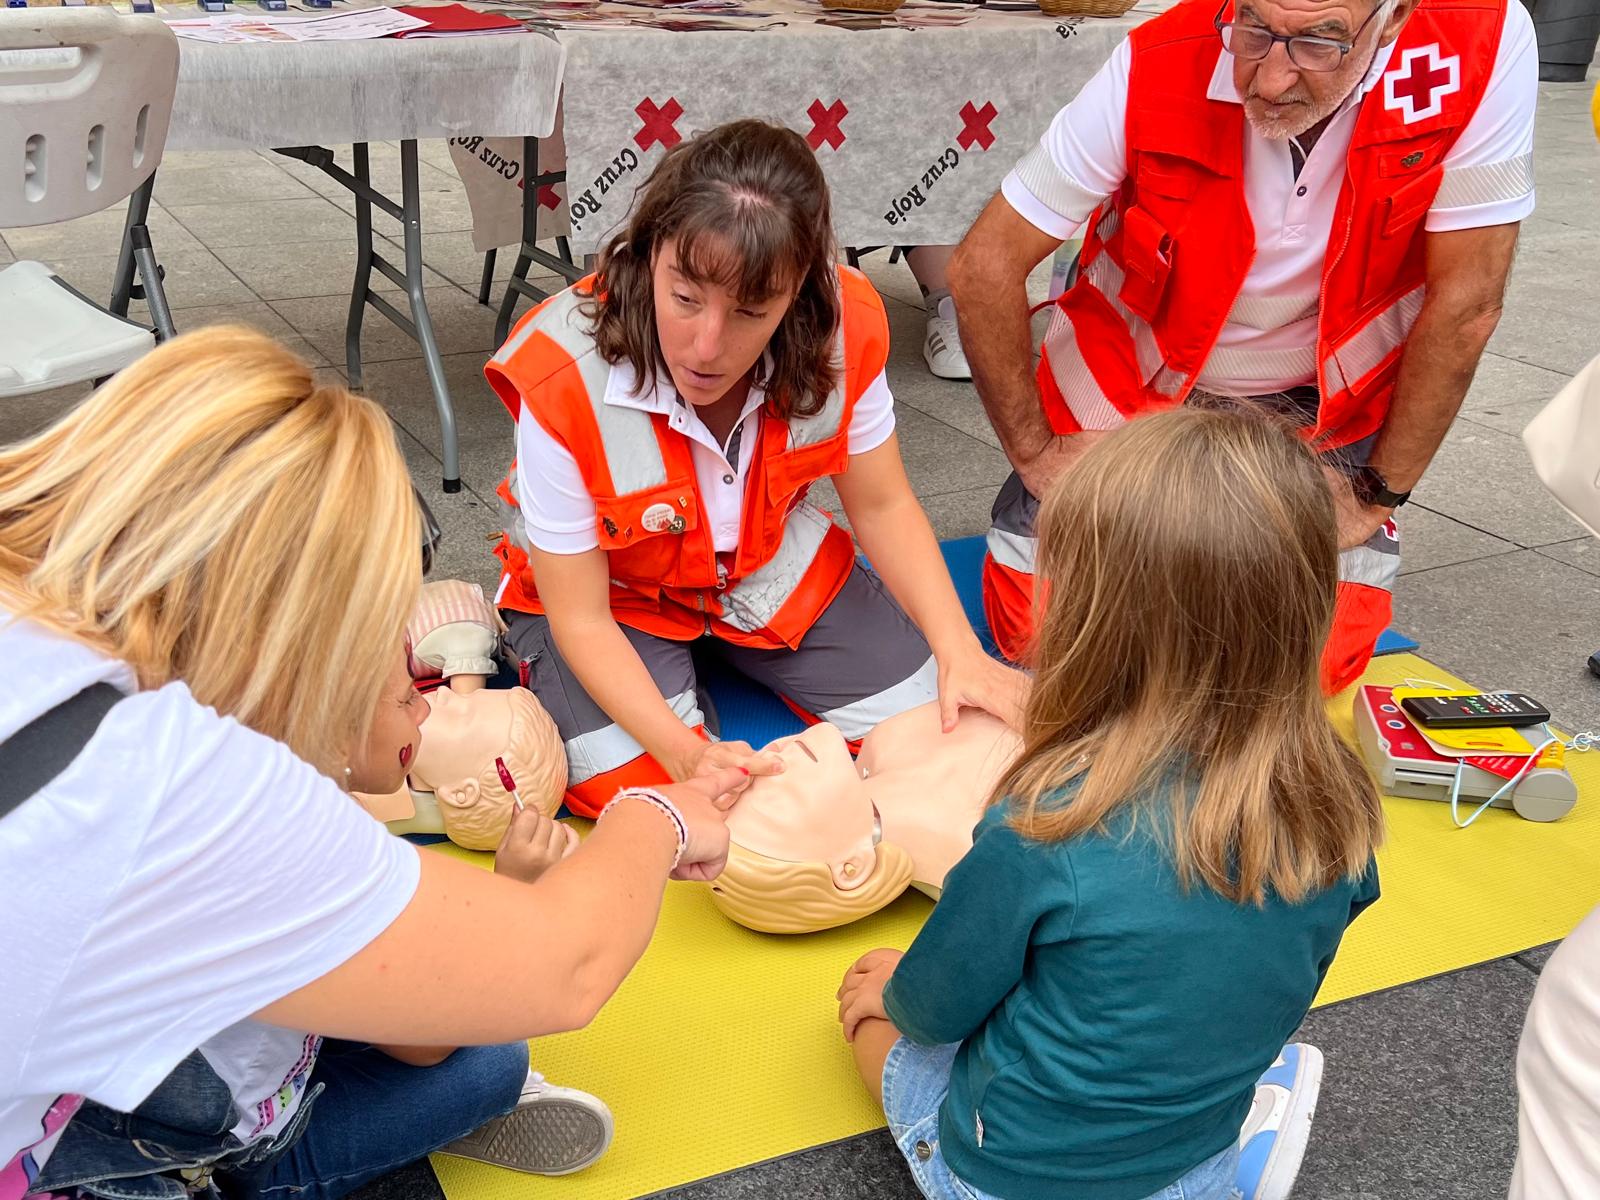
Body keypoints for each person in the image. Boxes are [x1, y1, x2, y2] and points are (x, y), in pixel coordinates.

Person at [0, 328, 739, 1200]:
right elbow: (566, 966)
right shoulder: (187, 783)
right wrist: (664, 813)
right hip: (112, 1145)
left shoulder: (53, 631)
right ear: (301, 625)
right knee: (480, 1057)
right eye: (380, 632)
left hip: (113, 1067)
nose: (416, 684)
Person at [835, 406, 1385, 1200]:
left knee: (871, 1008)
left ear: (1097, 626)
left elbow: (933, 1010)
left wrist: (889, 993)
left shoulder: (1046, 824)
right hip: (1194, 1150)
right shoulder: (1337, 801)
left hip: (1012, 1173)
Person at [950, 0, 1538, 692]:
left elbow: (1467, 304)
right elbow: (983, 266)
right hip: (1136, 391)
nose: (1267, 80)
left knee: (1311, 664)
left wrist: (1375, 493)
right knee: (1043, 632)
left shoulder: (1483, 40)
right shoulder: (1156, 57)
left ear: (1395, 17)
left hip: (1319, 410)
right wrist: (1035, 452)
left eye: (1320, 43)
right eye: (1254, 28)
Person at [486, 119, 1024, 818]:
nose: (707, 345)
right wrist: (686, 751)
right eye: (685, 299)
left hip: (763, 569)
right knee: (652, 797)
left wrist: (962, 651)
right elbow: (581, 618)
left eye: (749, 311)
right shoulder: (558, 371)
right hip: (612, 598)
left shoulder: (845, 324)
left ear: (798, 290)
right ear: (649, 256)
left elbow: (883, 505)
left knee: (948, 723)